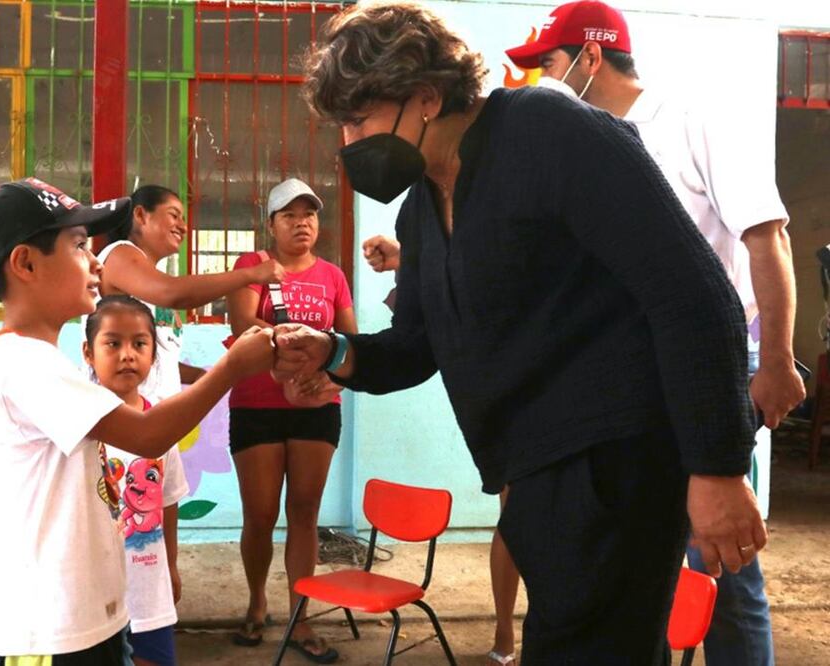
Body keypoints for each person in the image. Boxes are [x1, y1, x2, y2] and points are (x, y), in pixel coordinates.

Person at [276, 3, 768, 662]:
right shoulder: (423, 207)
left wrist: (717, 468)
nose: (349, 143)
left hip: (616, 462)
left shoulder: (547, 132)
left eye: (358, 120)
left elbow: (693, 293)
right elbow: (417, 344)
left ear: (426, 95)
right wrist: (333, 352)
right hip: (533, 475)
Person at [505, 3, 805, 664]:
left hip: (704, 369)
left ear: (590, 57)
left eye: (548, 65)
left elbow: (767, 237)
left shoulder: (691, 122)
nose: (540, 83)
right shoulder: (583, 147)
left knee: (719, 559)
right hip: (620, 384)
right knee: (633, 564)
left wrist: (777, 361)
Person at [0, 177, 275, 665]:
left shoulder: (39, 361)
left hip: (80, 622)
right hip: (53, 635)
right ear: (25, 263)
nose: (95, 262)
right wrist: (232, 368)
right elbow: (147, 434)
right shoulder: (22, 364)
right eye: (78, 245)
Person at [363, 234, 521, 666]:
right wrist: (409, 261)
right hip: (508, 399)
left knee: (552, 522)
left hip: (558, 387)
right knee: (516, 518)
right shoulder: (458, 245)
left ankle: (540, 632)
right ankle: (506, 632)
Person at [226, 178, 356, 663]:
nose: (302, 223)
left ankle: (300, 618)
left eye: (310, 214)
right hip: (257, 403)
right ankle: (257, 602)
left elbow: (350, 342)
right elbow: (243, 326)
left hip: (317, 408)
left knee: (304, 513)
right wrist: (300, 349)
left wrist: (329, 382)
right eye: (290, 215)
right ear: (272, 224)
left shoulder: (333, 276)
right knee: (259, 515)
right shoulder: (253, 266)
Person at [97, 185, 286, 403]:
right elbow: (174, 293)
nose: (183, 227)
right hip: (120, 413)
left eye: (183, 219)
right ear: (140, 215)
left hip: (154, 414)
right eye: (174, 215)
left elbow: (157, 361)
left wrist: (197, 375)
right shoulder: (119, 254)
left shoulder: (151, 281)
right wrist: (250, 274)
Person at [83, 295, 189, 666]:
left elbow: (168, 501)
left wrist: (171, 566)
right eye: (113, 343)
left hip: (148, 590)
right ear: (88, 353)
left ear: (153, 355)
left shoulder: (161, 429)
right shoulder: (78, 426)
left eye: (139, 344)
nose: (127, 355)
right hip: (93, 593)